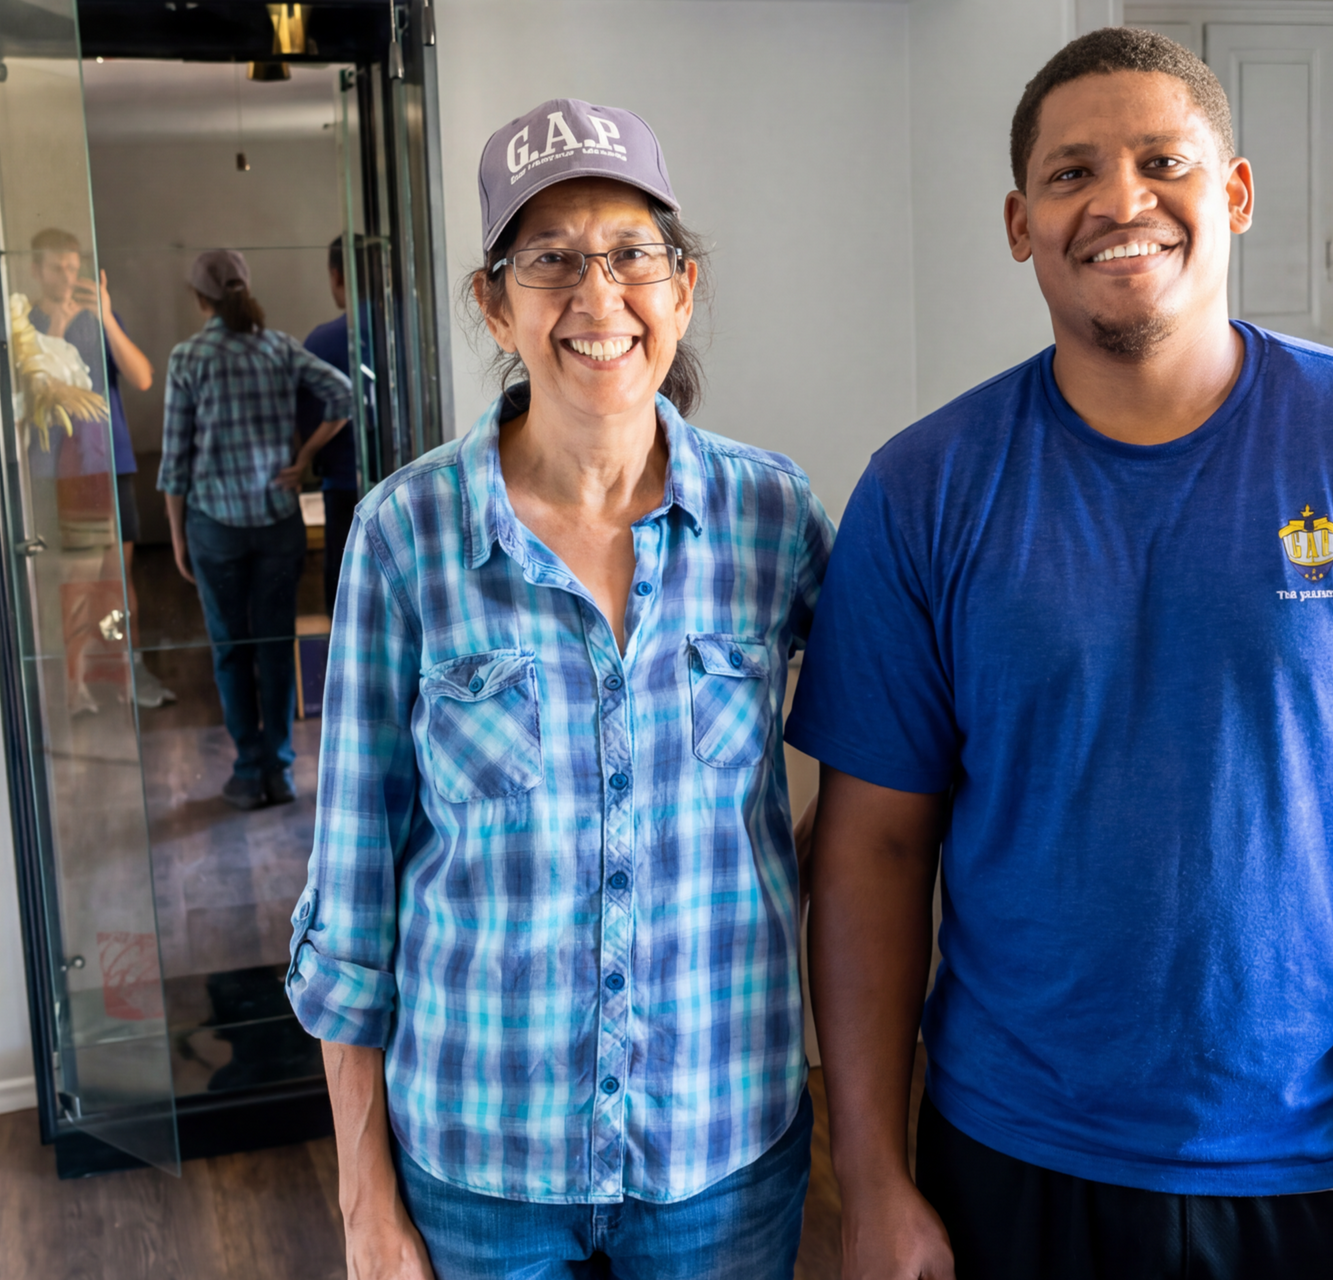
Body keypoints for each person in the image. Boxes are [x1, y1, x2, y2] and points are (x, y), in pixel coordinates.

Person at [789, 27, 1333, 1280]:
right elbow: (873, 846)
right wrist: (876, 1178)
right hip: (1013, 1155)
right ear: (1018, 222)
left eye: (1164, 160)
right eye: (1070, 174)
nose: (1120, 200)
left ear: (1235, 194)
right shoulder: (925, 489)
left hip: (1330, 1168)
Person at [287, 99, 832, 1280]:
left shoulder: (774, 519)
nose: (598, 295)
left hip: (720, 1152)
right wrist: (363, 1206)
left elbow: (893, 756)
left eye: (632, 254)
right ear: (496, 303)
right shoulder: (405, 534)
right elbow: (352, 894)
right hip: (482, 1169)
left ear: (681, 287)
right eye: (551, 259)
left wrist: (796, 869)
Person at [158, 248, 353, 811]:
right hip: (276, 524)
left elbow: (174, 463)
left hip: (215, 526)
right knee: (275, 644)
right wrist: (306, 457)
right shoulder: (279, 349)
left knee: (230, 648)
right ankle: (282, 769)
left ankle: (248, 770)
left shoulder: (188, 358)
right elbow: (341, 393)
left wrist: (175, 536)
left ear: (201, 300)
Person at [26, 227, 174, 710]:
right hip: (64, 471)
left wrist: (106, 317)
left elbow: (144, 377)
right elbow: (32, 389)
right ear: (37, 270)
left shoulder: (99, 317)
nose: (67, 276)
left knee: (118, 580)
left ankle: (125, 671)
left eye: (74, 266)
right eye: (56, 267)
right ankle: (75, 682)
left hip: (113, 463)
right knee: (76, 585)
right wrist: (58, 331)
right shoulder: (26, 325)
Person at [294, 235, 360, 616]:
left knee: (344, 599)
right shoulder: (406, 331)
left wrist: (305, 455)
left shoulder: (322, 341)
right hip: (407, 476)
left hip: (342, 487)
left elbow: (305, 416)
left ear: (336, 276)